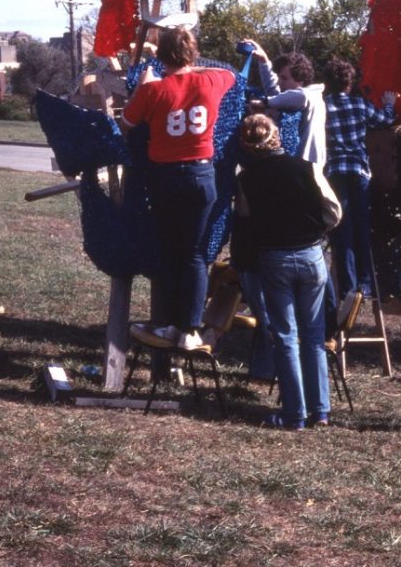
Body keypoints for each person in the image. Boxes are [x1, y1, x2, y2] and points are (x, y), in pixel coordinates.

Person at [122, 26, 235, 351]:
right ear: (192, 53)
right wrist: (189, 66)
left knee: (170, 253)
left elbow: (126, 125)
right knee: (194, 256)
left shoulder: (153, 90)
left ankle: (167, 323)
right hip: (202, 177)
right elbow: (224, 72)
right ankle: (189, 328)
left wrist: (147, 84)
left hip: (165, 178)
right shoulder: (212, 81)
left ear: (159, 57)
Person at [231, 113, 342, 430]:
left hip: (275, 259)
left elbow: (245, 221)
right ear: (277, 136)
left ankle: (294, 413)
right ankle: (320, 410)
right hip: (311, 256)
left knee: (285, 336)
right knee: (314, 335)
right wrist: (315, 230)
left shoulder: (247, 179)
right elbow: (334, 211)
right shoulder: (306, 167)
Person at [323, 57, 397, 298]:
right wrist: (389, 104)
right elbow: (386, 120)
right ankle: (365, 285)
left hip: (335, 172)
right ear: (349, 82)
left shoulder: (322, 107)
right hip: (359, 171)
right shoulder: (359, 104)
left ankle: (347, 287)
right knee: (362, 229)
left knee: (342, 230)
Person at [237, 38, 326, 168]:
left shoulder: (312, 95)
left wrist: (264, 102)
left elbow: (296, 96)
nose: (279, 82)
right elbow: (276, 92)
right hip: (297, 166)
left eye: (284, 78)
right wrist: (264, 61)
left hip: (309, 168)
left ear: (300, 79)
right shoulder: (293, 97)